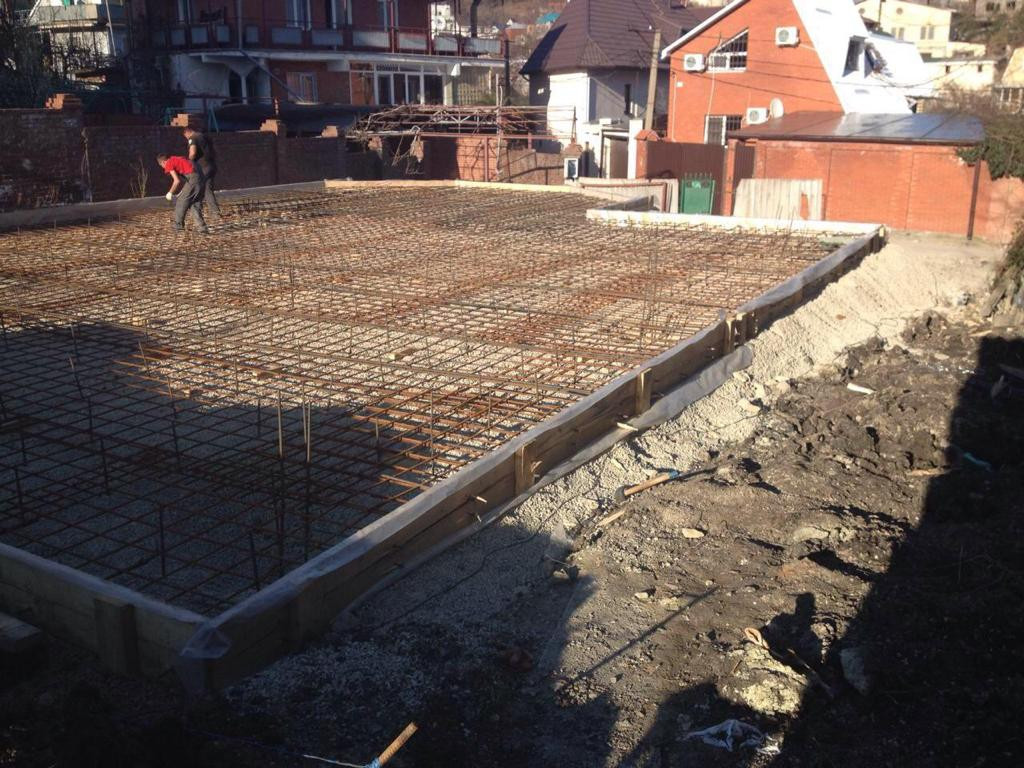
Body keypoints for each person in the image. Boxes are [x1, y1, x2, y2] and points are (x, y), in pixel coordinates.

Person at [157, 153, 208, 234]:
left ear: (163, 162)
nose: (163, 168)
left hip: (193, 178)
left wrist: (170, 193)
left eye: (161, 166)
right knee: (194, 203)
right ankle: (202, 228)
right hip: (202, 178)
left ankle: (178, 227)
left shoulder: (169, 163)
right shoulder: (178, 159)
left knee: (181, 201)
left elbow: (177, 181)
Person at [183, 126, 221, 219]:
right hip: (211, 165)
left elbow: (192, 152)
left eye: (185, 137)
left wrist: (189, 162)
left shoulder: (192, 138)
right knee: (208, 190)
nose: (186, 139)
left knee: (197, 189)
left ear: (187, 132)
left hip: (202, 167)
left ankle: (197, 211)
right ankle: (215, 212)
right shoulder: (204, 136)